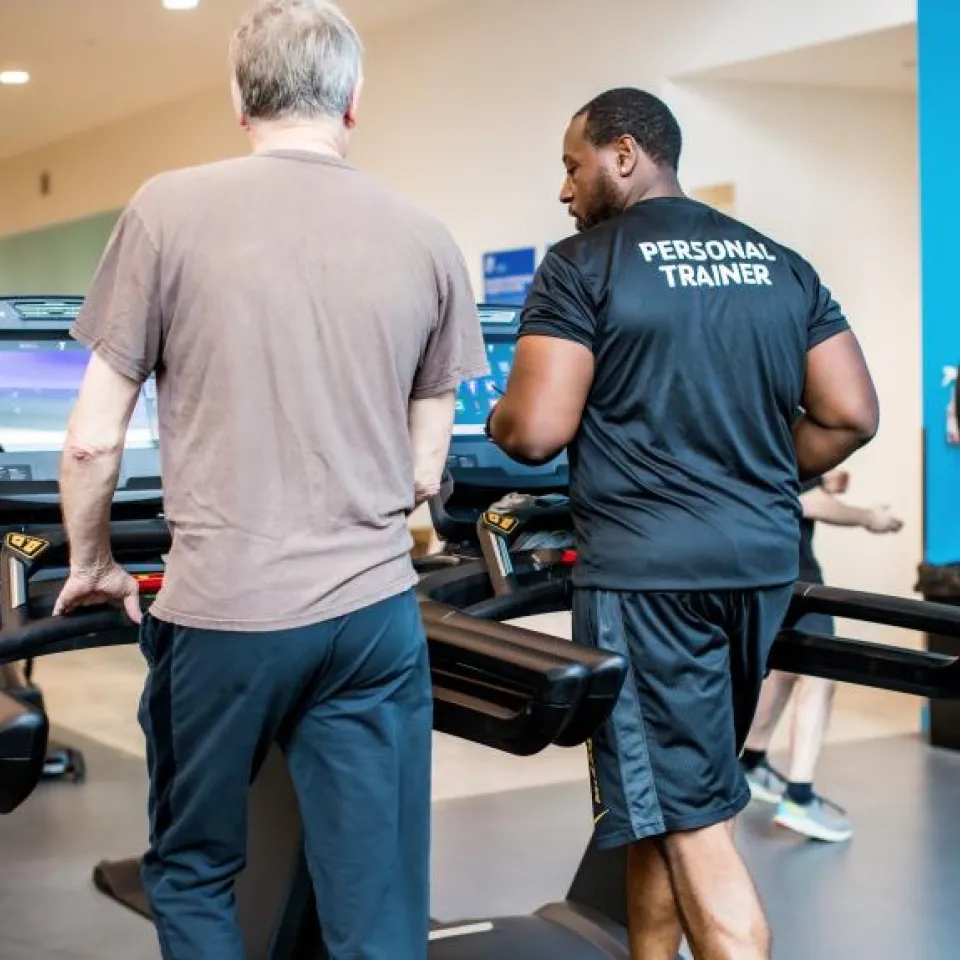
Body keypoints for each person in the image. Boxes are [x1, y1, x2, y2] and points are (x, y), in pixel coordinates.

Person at [51, 2, 486, 958]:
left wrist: (93, 560)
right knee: (377, 901)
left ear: (240, 101)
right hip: (372, 618)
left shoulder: (166, 207)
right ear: (354, 102)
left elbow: (90, 440)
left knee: (197, 866)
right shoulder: (423, 235)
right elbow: (425, 466)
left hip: (225, 614)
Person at [486, 87, 880, 960]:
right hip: (760, 571)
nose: (564, 188)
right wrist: (760, 472)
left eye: (571, 163)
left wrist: (496, 421)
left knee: (694, 824)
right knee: (668, 806)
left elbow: (539, 428)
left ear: (624, 154)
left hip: (650, 582)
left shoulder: (582, 263)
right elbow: (850, 412)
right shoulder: (779, 261)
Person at [741, 470, 903, 842]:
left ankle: (751, 763)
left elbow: (782, 485)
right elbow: (807, 503)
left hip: (756, 569)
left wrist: (820, 479)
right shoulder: (784, 414)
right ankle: (800, 798)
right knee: (819, 673)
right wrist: (869, 518)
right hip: (793, 573)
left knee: (783, 666)